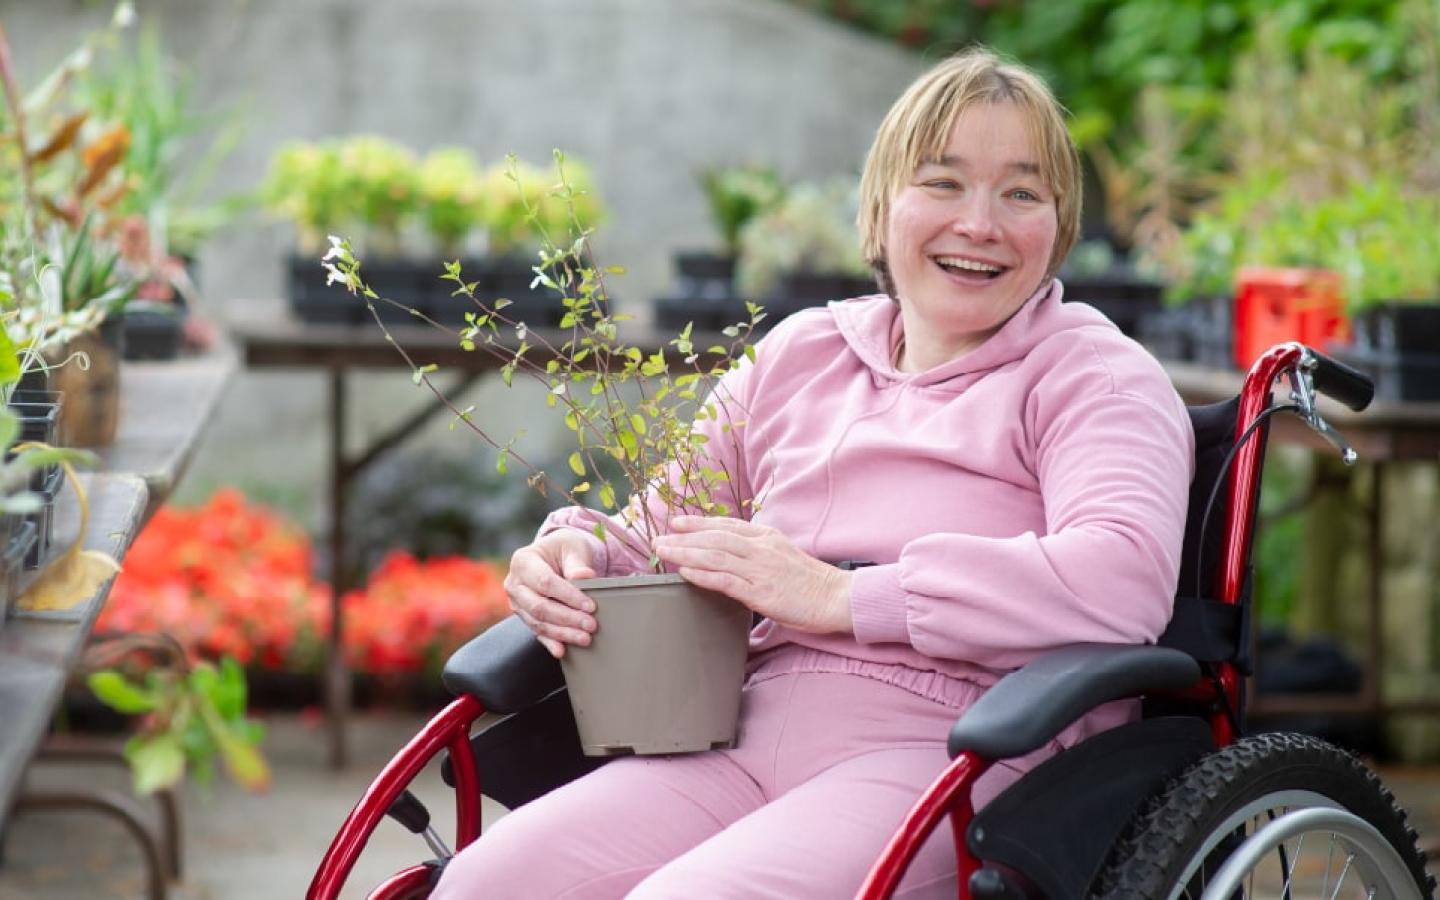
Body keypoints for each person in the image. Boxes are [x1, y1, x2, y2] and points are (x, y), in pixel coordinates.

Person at [432, 46, 1194, 899]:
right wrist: (576, 557)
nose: (980, 223)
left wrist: (844, 598)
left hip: (961, 751)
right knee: (481, 883)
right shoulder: (804, 352)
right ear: (882, 205)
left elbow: (1122, 578)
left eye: (1021, 193)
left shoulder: (1094, 374)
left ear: (1058, 226)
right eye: (942, 183)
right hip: (741, 736)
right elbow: (665, 533)